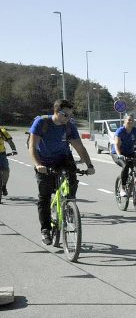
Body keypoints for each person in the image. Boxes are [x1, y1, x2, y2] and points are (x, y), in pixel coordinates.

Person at [27, 99, 95, 245]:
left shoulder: (69, 127)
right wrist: (38, 164)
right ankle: (45, 229)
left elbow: (79, 147)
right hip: (43, 161)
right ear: (56, 112)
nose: (68, 118)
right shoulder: (42, 123)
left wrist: (89, 165)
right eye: (65, 115)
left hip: (63, 159)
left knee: (72, 179)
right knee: (44, 197)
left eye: (71, 115)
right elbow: (32, 147)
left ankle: (69, 206)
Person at [0, 125, 18, 196]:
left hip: (1, 154)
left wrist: (13, 150)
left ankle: (3, 186)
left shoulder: (2, 131)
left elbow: (10, 141)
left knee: (6, 170)